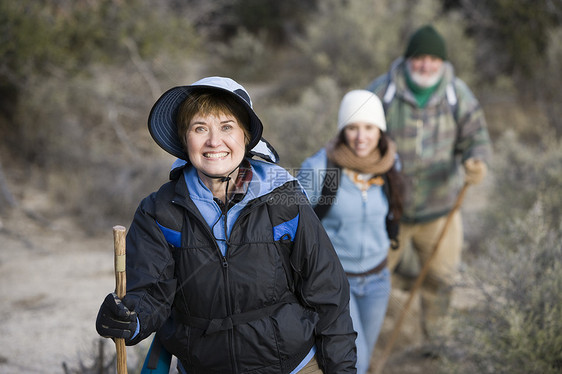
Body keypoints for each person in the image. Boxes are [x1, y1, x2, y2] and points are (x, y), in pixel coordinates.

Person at [95, 76, 357, 373]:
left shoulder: (284, 200)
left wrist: (341, 369)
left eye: (227, 127)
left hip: (294, 366)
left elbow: (329, 295)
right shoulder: (159, 211)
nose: (213, 141)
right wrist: (131, 317)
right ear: (184, 139)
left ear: (246, 137)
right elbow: (152, 295)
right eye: (199, 128)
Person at [366, 25, 492, 354]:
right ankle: (365, 346)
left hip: (441, 212)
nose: (426, 65)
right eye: (419, 58)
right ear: (409, 60)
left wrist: (476, 161)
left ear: (442, 62)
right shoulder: (383, 92)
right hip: (387, 209)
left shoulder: (457, 95)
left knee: (442, 280)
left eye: (433, 59)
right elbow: (357, 137)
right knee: (373, 279)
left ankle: (437, 347)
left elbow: (476, 137)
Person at [297, 90, 404, 374]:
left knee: (365, 351)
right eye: (353, 127)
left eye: (369, 127)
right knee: (356, 360)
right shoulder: (320, 168)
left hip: (378, 277)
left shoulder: (391, 163)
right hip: (335, 283)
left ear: (379, 130)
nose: (361, 137)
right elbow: (290, 221)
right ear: (342, 129)